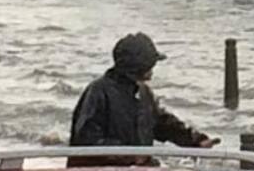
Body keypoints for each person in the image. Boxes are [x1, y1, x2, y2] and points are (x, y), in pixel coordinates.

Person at [69, 32, 217, 150]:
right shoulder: (98, 92)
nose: (152, 70)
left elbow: (162, 124)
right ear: (138, 67)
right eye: (150, 65)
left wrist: (196, 140)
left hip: (138, 169)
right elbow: (86, 140)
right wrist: (129, 155)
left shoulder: (143, 93)